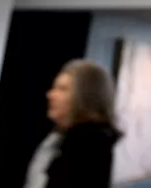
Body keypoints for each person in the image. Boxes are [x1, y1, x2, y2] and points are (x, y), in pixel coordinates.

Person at [24, 59, 121, 188]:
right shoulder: (59, 137)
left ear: (86, 98)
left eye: (62, 89)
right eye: (54, 88)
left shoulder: (89, 147)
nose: (51, 95)